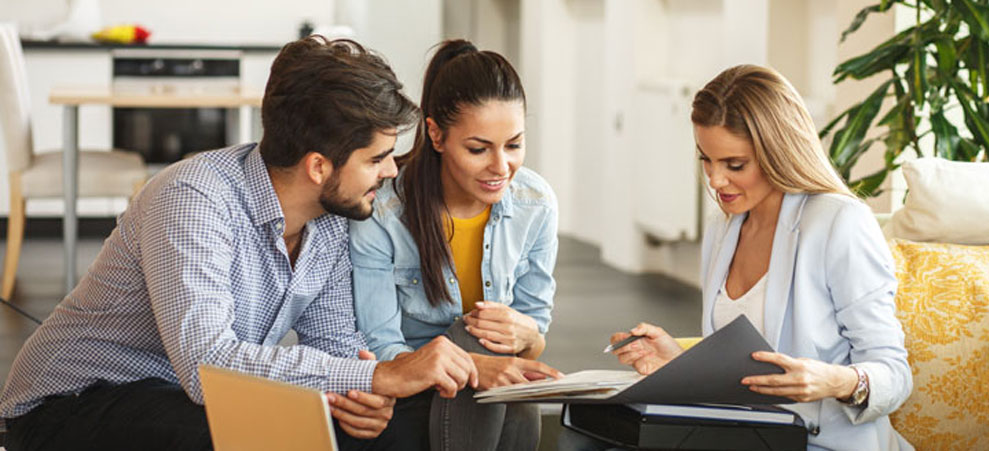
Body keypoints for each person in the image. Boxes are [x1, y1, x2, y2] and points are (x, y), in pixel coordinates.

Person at [0, 36, 480, 451]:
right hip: (71, 403)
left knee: (407, 424)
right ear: (318, 166)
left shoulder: (332, 219)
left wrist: (365, 397)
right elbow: (207, 365)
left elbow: (336, 346)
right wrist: (377, 377)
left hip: (191, 398)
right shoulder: (193, 197)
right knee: (260, 434)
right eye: (376, 159)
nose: (391, 171)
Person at [579, 65, 912, 450]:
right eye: (706, 159)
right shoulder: (723, 228)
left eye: (734, 165)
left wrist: (835, 381)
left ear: (779, 152)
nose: (715, 180)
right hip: (745, 438)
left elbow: (895, 375)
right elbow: (742, 368)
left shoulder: (840, 223)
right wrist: (678, 361)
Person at [350, 39, 561, 451]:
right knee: (473, 336)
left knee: (507, 375)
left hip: (489, 398)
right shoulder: (385, 212)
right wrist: (474, 365)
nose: (501, 167)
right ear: (436, 134)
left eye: (514, 145)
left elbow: (533, 339)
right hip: (410, 393)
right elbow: (380, 347)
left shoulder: (536, 203)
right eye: (478, 149)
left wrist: (528, 336)